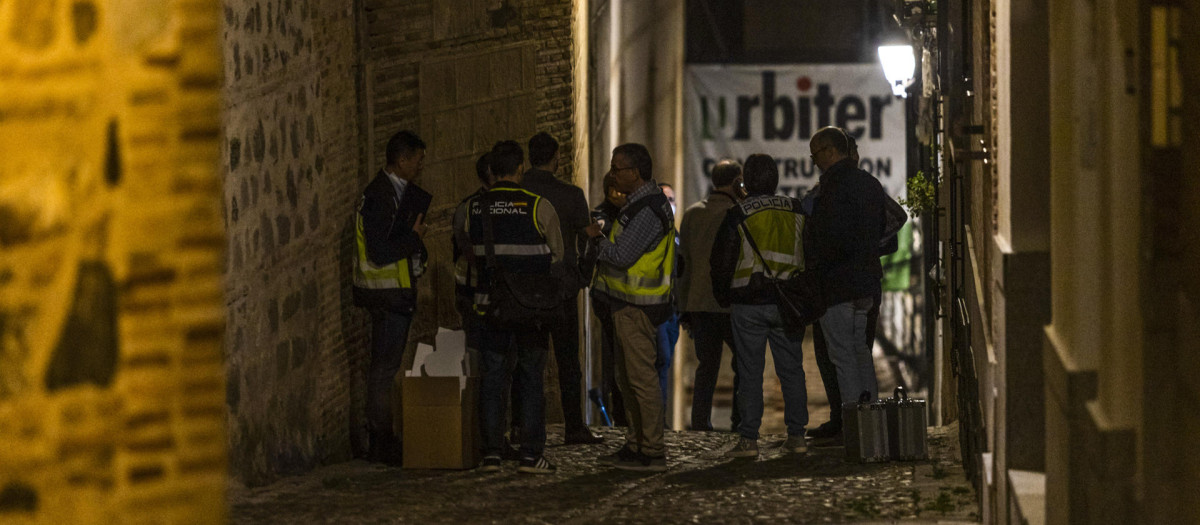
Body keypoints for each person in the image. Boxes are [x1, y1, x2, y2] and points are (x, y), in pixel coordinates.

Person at [468, 140, 564, 474]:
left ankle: (492, 453)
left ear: (491, 171)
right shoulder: (538, 205)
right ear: (520, 169)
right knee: (531, 378)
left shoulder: (473, 208)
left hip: (490, 307)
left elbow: (465, 245)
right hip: (530, 309)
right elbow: (558, 254)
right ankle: (530, 455)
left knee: (493, 376)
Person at [710, 154, 810, 458]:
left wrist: (723, 297)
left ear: (746, 182)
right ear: (775, 179)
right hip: (788, 302)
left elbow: (721, 262)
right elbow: (811, 251)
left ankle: (749, 439)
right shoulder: (796, 209)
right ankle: (797, 437)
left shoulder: (738, 213)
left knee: (750, 372)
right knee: (791, 370)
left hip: (748, 303)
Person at [585, 143, 675, 472]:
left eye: (617, 168)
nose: (612, 174)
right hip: (626, 305)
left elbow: (623, 256)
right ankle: (637, 442)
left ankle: (651, 451)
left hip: (638, 307)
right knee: (627, 381)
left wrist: (597, 239)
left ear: (634, 173)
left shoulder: (648, 210)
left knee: (641, 381)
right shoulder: (637, 205)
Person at [519, 132, 604, 445]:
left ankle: (524, 428)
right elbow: (588, 237)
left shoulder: (519, 191)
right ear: (555, 157)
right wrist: (584, 274)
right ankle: (574, 427)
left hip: (524, 289)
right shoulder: (570, 194)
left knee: (528, 361)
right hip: (562, 288)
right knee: (569, 362)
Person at [352, 130, 429, 466]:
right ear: (402, 160)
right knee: (383, 371)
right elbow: (381, 251)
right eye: (417, 160)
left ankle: (385, 439)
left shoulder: (396, 193)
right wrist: (414, 240)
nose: (420, 167)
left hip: (396, 292)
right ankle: (382, 442)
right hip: (385, 295)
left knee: (386, 369)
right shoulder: (378, 196)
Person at [808, 126, 887, 411]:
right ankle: (871, 420)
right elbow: (882, 228)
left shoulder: (829, 189)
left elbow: (826, 237)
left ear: (830, 151)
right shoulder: (870, 183)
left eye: (815, 154)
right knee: (861, 352)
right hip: (866, 282)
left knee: (841, 357)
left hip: (838, 285)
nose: (814, 161)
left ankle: (854, 424)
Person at [677, 159, 742, 431]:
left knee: (706, 366)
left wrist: (683, 306)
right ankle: (740, 421)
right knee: (744, 364)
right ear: (737, 182)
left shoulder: (692, 214)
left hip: (699, 303)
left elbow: (683, 265)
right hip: (731, 304)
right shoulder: (738, 213)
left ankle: (700, 422)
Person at [584, 173, 628, 427]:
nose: (621, 195)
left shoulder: (633, 213)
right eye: (616, 190)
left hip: (625, 295)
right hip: (608, 296)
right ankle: (620, 416)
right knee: (614, 359)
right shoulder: (601, 215)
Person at [654, 182, 680, 410]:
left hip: (673, 312)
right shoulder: (652, 230)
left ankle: (659, 419)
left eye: (671, 200)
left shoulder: (677, 234)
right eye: (664, 200)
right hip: (657, 308)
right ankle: (656, 421)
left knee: (665, 363)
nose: (668, 205)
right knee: (660, 360)